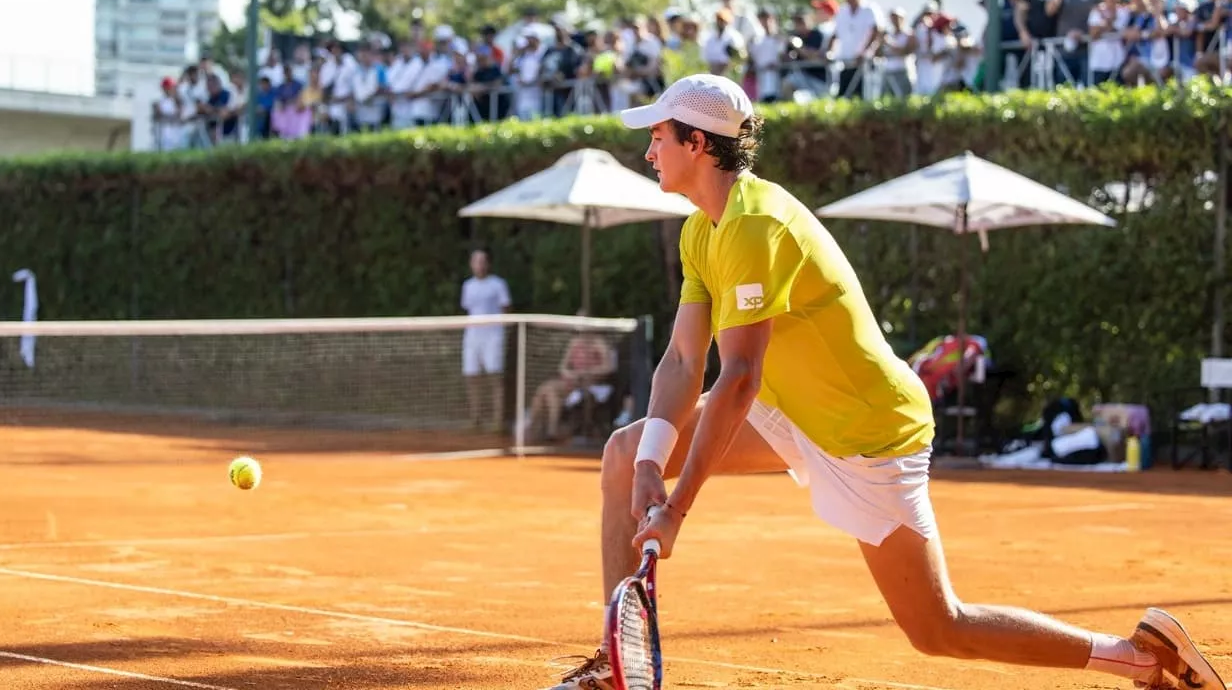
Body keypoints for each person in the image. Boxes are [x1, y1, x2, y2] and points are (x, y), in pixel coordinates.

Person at [539, 73, 1224, 690]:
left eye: (658, 136)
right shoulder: (702, 231)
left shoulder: (754, 226)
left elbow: (739, 376)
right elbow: (684, 363)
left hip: (870, 434)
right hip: (794, 413)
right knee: (625, 452)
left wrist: (678, 509)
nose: (649, 150)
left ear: (697, 143)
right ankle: (611, 665)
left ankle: (1139, 656)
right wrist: (652, 466)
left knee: (937, 628)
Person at [460, 248, 511, 432]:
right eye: (475, 261)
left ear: (488, 264)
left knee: (495, 376)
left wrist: (502, 330)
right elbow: (468, 309)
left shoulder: (498, 284)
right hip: (472, 336)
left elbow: (506, 308)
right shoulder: (467, 286)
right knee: (472, 376)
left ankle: (498, 421)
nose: (479, 265)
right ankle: (475, 418)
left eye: (482, 261)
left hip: (493, 335)